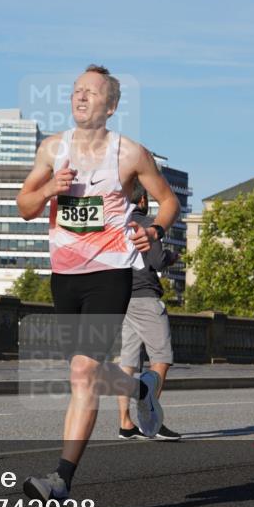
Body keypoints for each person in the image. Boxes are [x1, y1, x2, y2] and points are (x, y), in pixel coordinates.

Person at [16, 65, 181, 502]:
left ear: (111, 105)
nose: (81, 97)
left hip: (110, 273)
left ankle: (60, 480)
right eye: (76, 91)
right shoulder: (53, 148)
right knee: (82, 374)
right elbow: (25, 206)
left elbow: (168, 201)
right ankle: (140, 387)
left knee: (82, 372)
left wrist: (157, 231)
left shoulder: (129, 154)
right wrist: (51, 187)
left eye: (91, 92)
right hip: (64, 276)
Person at [116, 182, 181, 441]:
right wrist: (171, 258)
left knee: (128, 362)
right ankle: (150, 420)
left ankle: (125, 423)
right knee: (161, 357)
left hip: (122, 297)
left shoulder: (117, 224)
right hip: (145, 296)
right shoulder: (147, 223)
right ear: (142, 200)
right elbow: (155, 261)